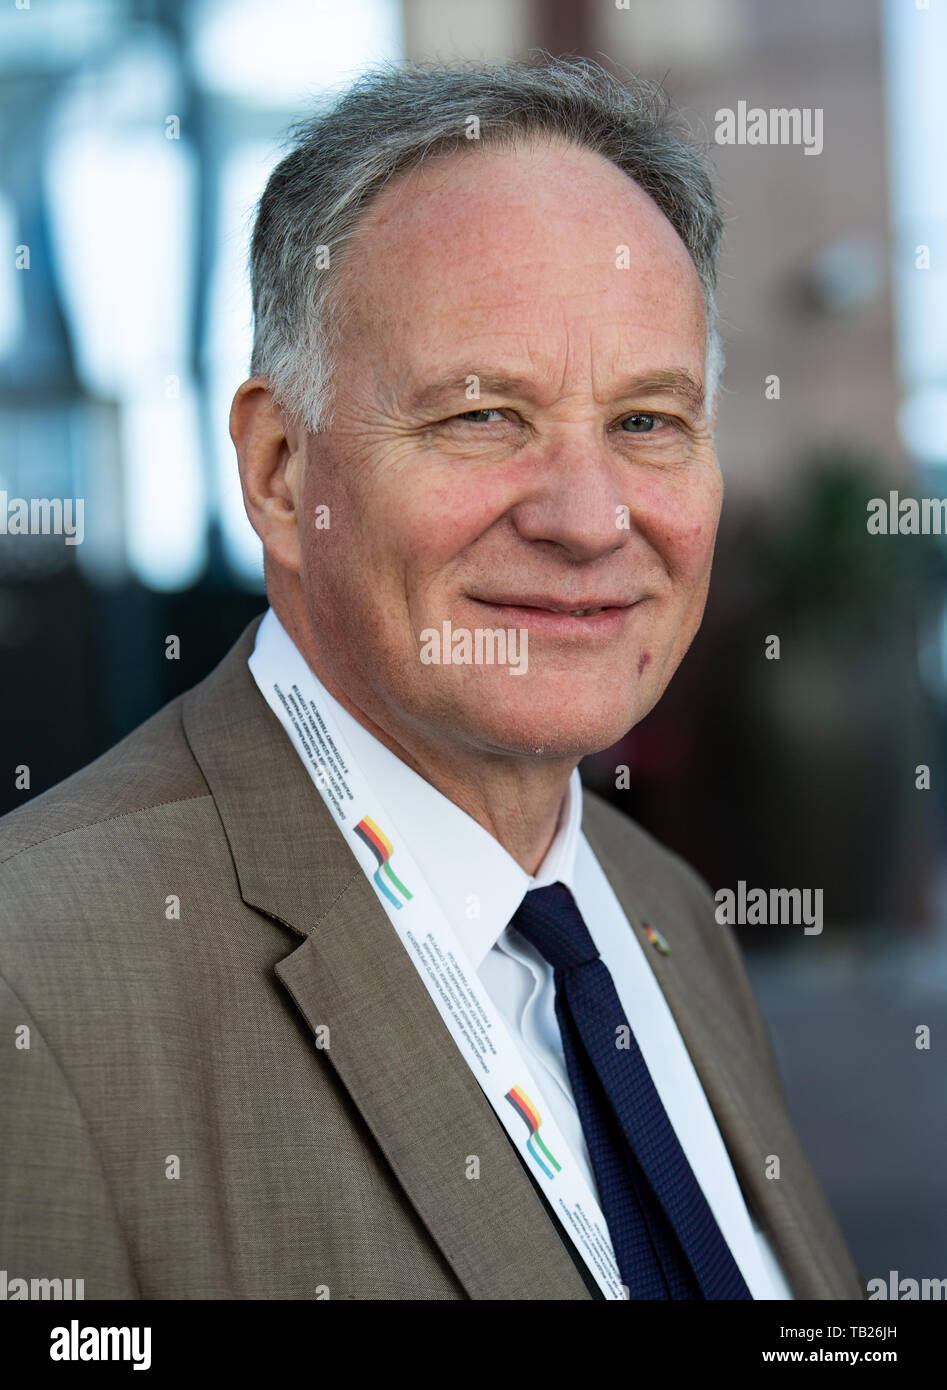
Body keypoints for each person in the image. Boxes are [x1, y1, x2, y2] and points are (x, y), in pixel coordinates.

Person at [0, 59, 863, 1300]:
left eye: (645, 422)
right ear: (281, 471)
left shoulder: (658, 910)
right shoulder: (39, 979)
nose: (585, 517)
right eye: (480, 416)